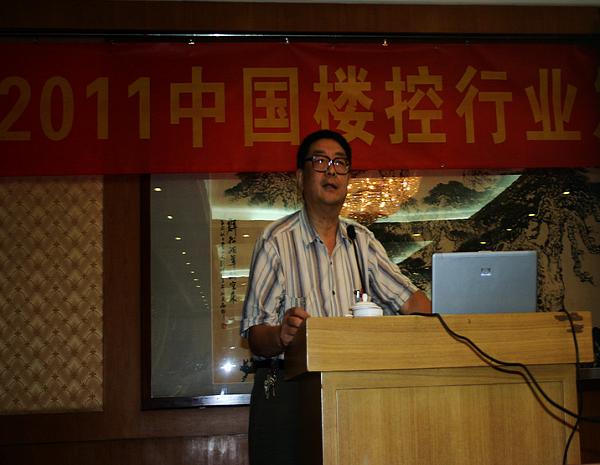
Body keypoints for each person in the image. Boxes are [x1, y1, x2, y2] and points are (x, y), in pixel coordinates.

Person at [240, 129, 431, 465]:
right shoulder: (276, 241)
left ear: (347, 178)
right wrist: (282, 334)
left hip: (354, 389)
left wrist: (450, 326)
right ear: (301, 178)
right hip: (290, 391)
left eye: (340, 163)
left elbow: (412, 302)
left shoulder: (361, 240)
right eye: (320, 162)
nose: (331, 171)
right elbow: (256, 334)